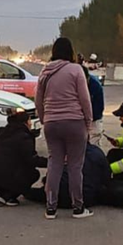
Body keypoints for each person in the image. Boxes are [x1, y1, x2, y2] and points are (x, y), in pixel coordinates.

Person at [36, 38, 94, 220]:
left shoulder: (44, 72)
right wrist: (88, 121)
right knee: (75, 166)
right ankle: (78, 207)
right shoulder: (76, 70)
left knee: (54, 164)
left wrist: (44, 118)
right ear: (70, 52)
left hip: (52, 123)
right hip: (74, 122)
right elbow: (85, 99)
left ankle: (50, 208)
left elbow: (38, 99)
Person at [0, 108, 47, 206]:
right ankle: (8, 196)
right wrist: (50, 162)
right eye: (29, 120)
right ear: (25, 122)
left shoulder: (4, 132)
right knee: (32, 173)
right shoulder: (24, 137)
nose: (30, 123)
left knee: (9, 168)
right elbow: (31, 159)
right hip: (0, 172)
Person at [82, 66, 105, 146]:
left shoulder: (95, 86)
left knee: (94, 143)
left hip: (94, 119)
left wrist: (89, 119)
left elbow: (98, 108)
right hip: (79, 118)